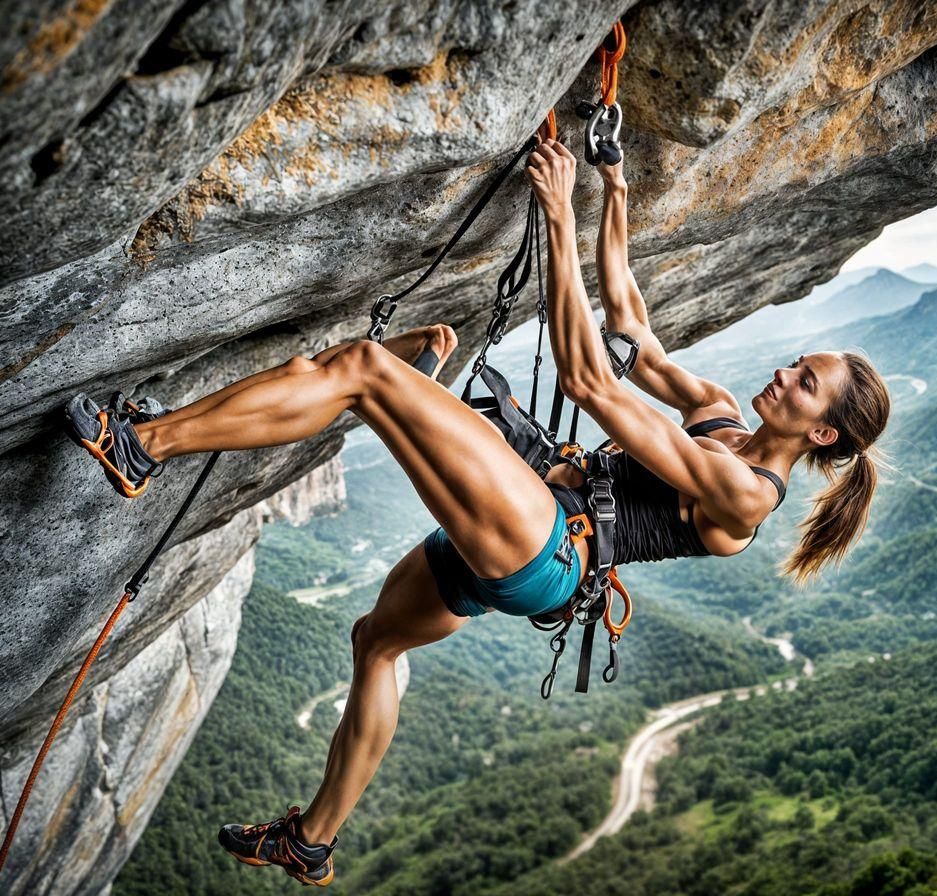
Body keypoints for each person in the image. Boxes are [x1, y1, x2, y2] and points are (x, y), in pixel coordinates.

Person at [64, 138, 891, 886]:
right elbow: (631, 324)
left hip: (546, 546)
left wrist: (560, 215)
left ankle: (143, 445)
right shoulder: (719, 415)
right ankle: (310, 840)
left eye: (803, 383)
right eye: (793, 363)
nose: (783, 375)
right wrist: (617, 189)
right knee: (375, 643)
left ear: (819, 431)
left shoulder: (743, 497)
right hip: (532, 535)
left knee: (362, 370)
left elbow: (592, 382)